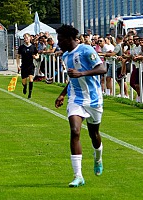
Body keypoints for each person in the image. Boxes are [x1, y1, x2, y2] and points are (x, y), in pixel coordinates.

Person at [55, 25, 106, 187]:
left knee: (94, 135)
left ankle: (98, 157)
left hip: (93, 99)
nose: (58, 43)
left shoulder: (86, 50)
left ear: (69, 38)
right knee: (74, 131)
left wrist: (82, 73)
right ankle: (78, 176)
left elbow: (103, 68)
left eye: (60, 39)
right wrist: (63, 94)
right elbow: (73, 78)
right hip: (76, 98)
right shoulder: (65, 56)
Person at [16, 33, 39, 99]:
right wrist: (18, 65)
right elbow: (18, 56)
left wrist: (35, 57)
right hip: (24, 66)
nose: (25, 39)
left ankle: (30, 94)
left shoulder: (33, 47)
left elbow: (37, 55)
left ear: (30, 38)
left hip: (31, 65)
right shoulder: (21, 47)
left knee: (31, 79)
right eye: (24, 37)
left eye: (26, 37)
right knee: (24, 81)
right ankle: (25, 86)